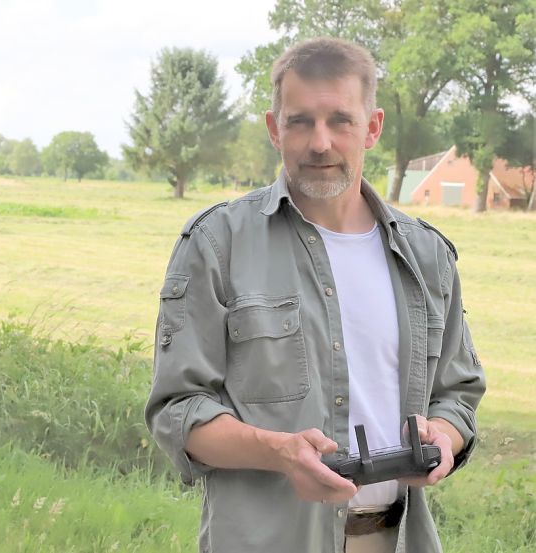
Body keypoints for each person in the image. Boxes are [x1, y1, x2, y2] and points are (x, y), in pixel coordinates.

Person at [145, 37, 485, 553]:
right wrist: (279, 451)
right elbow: (177, 410)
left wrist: (442, 434)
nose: (319, 142)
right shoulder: (218, 244)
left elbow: (457, 394)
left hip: (397, 538)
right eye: (300, 121)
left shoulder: (428, 256)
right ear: (273, 128)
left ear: (372, 127)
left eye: (340, 121)